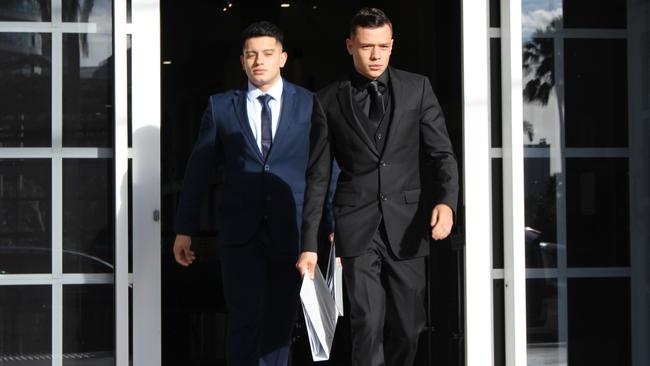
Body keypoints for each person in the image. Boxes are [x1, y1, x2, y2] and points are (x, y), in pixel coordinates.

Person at [297, 8, 459, 366]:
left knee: (409, 326)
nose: (376, 55)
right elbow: (318, 176)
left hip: (408, 224)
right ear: (350, 45)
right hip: (356, 224)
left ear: (392, 45)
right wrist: (309, 244)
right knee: (366, 323)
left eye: (383, 46)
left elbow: (442, 154)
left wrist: (447, 203)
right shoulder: (326, 101)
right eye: (367, 46)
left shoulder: (418, 89)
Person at [173, 21, 330, 366]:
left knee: (279, 322)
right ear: (243, 61)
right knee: (244, 320)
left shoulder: (309, 105)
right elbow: (197, 171)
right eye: (252, 55)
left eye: (267, 54)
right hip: (239, 234)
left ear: (283, 58)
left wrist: (327, 229)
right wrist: (185, 228)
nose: (259, 61)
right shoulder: (220, 107)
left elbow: (323, 171)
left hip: (290, 233)